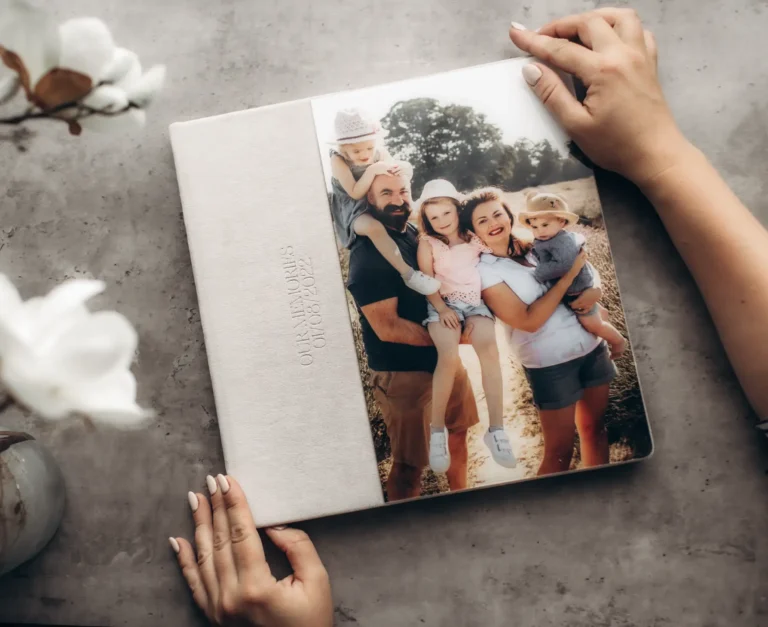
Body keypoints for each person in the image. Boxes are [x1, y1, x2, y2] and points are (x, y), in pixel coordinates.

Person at [171, 9, 768, 625]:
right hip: (430, 331)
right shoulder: (386, 234)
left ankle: (487, 438)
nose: (413, 205)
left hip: (467, 316)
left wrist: (537, 260)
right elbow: (410, 289)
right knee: (430, 401)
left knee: (477, 366)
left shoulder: (461, 240)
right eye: (404, 199)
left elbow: (506, 244)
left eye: (421, 200)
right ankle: (443, 443)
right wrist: (438, 300)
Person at [345, 166, 480, 500]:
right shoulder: (368, 256)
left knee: (458, 434)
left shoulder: (412, 234)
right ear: (369, 199)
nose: (397, 199)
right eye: (386, 193)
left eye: (403, 191)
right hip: (403, 374)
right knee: (409, 466)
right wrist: (455, 339)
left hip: (443, 359)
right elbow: (387, 327)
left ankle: (461, 502)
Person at [462, 186, 612, 475]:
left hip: (591, 347)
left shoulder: (537, 247)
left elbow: (585, 267)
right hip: (550, 363)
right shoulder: (485, 272)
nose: (493, 223)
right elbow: (528, 321)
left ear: (509, 217)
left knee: (596, 429)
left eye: (497, 214)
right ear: (472, 232)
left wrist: (596, 288)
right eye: (482, 221)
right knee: (559, 452)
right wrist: (568, 278)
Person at [415, 179, 516, 472]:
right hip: (441, 304)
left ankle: (496, 429)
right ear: (427, 220)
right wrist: (442, 308)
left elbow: (499, 248)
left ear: (457, 210)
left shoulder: (474, 238)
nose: (442, 221)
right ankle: (437, 432)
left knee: (490, 350)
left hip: (474, 304)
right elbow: (426, 280)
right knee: (447, 356)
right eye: (434, 217)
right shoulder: (428, 243)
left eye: (446, 213)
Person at [329, 107, 440, 295]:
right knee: (375, 228)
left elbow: (397, 172)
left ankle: (441, 247)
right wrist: (373, 170)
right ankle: (409, 275)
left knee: (415, 214)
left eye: (369, 148)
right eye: (356, 151)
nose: (365, 154)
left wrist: (402, 168)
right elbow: (355, 193)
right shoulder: (338, 160)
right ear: (344, 149)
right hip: (353, 209)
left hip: (378, 199)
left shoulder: (379, 153)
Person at [518, 190, 627, 358]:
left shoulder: (561, 242)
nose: (539, 231)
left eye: (545, 225)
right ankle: (602, 317)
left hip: (578, 291)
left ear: (561, 221)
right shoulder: (548, 238)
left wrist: (538, 273)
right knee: (595, 314)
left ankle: (618, 342)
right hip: (575, 289)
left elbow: (563, 265)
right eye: (534, 226)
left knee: (591, 324)